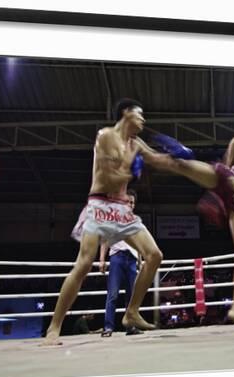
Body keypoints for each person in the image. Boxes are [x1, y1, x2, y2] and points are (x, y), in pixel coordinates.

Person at [138, 98, 234, 330]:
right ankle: (139, 148)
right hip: (227, 178)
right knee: (181, 164)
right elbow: (223, 167)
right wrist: (216, 198)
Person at [42, 98, 163, 346]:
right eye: (140, 114)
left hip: (122, 209)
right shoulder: (106, 136)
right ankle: (54, 328)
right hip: (100, 205)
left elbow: (159, 160)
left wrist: (180, 159)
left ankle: (131, 312)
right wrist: (133, 170)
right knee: (83, 264)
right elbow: (109, 177)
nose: (144, 120)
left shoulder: (136, 143)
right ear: (126, 114)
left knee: (154, 255)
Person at [99, 189, 144, 337]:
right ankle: (108, 327)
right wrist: (101, 260)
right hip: (117, 257)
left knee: (132, 296)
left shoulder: (136, 221)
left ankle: (130, 327)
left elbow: (140, 243)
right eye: (128, 201)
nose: (130, 204)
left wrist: (140, 260)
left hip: (131, 259)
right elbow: (104, 240)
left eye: (132, 202)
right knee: (113, 294)